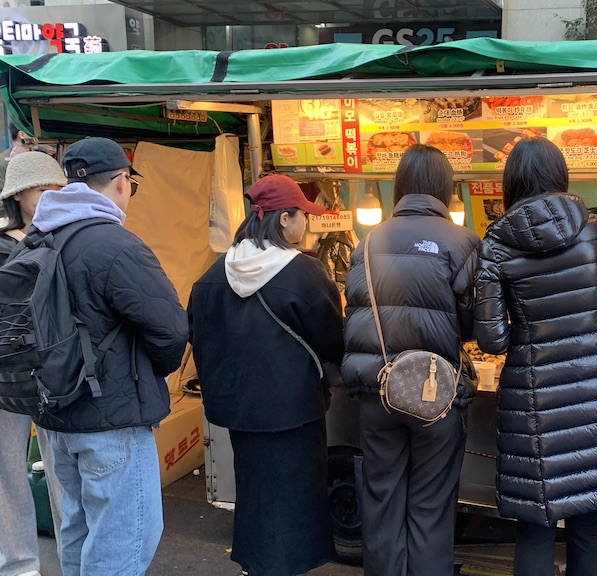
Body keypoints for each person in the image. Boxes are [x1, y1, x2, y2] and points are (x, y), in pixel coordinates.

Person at [473, 136, 597, 576]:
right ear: (560, 175)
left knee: (535, 524)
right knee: (587, 517)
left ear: (511, 181)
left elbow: (492, 339)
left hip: (533, 398)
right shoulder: (593, 228)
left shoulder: (496, 244)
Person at [29, 137, 188, 576]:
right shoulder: (115, 245)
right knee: (124, 541)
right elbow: (171, 330)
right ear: (121, 181)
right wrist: (147, 370)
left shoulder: (38, 239)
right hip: (112, 419)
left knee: (78, 531)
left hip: (55, 414)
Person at [189, 174, 345, 576]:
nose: (305, 223)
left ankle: (255, 566)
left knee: (256, 492)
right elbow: (333, 337)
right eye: (301, 216)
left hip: (239, 412)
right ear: (282, 220)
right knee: (296, 497)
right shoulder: (301, 274)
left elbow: (200, 337)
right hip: (294, 411)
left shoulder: (213, 274)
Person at [341, 144, 480, 576]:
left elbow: (355, 310)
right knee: (431, 506)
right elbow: (473, 325)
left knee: (382, 501)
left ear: (399, 186)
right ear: (444, 188)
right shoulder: (462, 242)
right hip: (435, 396)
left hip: (378, 391)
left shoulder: (366, 243)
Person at [0, 151, 66, 576]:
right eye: (44, 190)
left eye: (60, 190)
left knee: (64, 468)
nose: (53, 199)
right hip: (6, 372)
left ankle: (75, 555)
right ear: (19, 194)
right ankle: (19, 564)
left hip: (57, 368)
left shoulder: (66, 235)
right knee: (7, 472)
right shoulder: (5, 244)